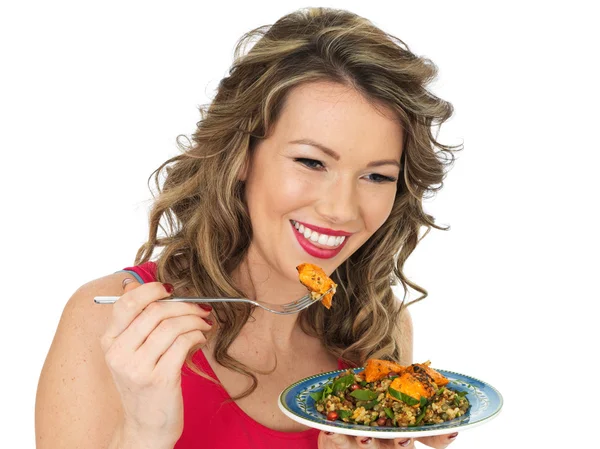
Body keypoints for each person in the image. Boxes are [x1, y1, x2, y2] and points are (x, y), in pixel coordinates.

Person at [35, 7, 461, 449]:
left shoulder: (378, 327)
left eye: (376, 176)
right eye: (311, 162)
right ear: (241, 157)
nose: (340, 209)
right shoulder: (107, 322)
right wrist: (145, 432)